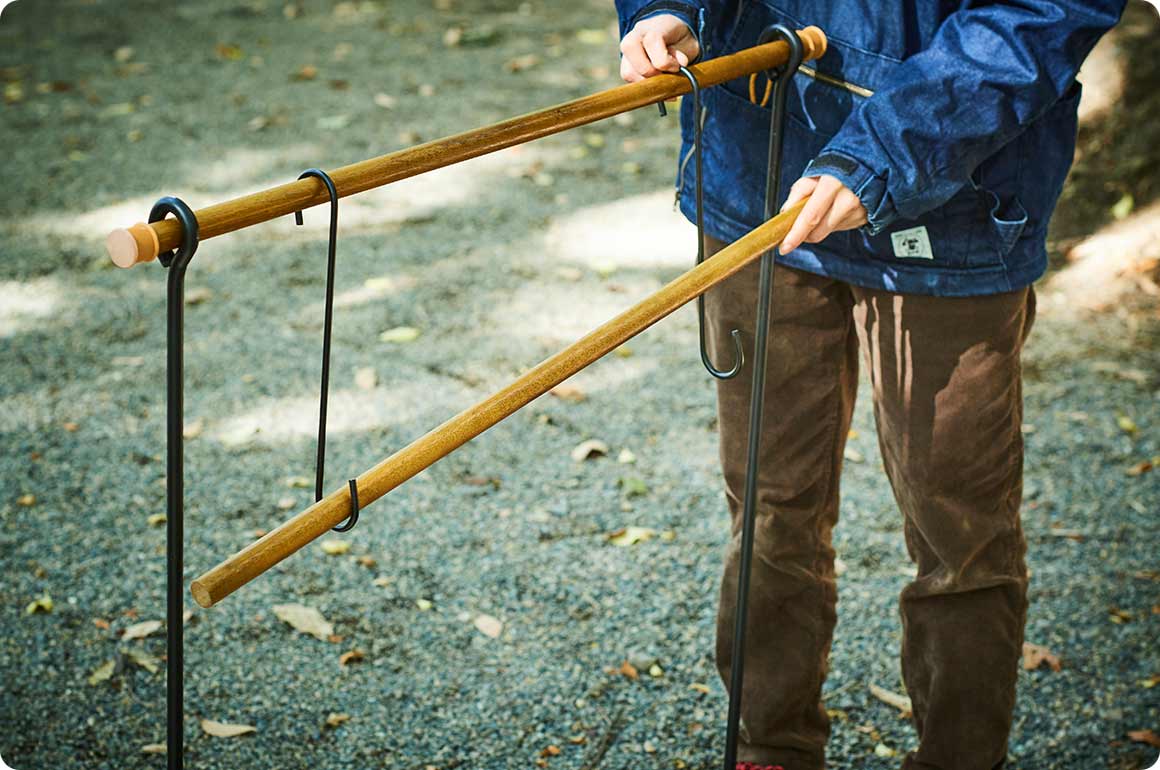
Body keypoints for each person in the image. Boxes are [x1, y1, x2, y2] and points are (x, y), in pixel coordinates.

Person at [613, 2, 1125, 769]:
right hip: (755, 166)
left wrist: (886, 150)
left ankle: (959, 755)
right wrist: (664, 11)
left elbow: (1043, 12)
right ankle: (767, 744)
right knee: (769, 499)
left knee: (960, 530)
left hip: (961, 200)